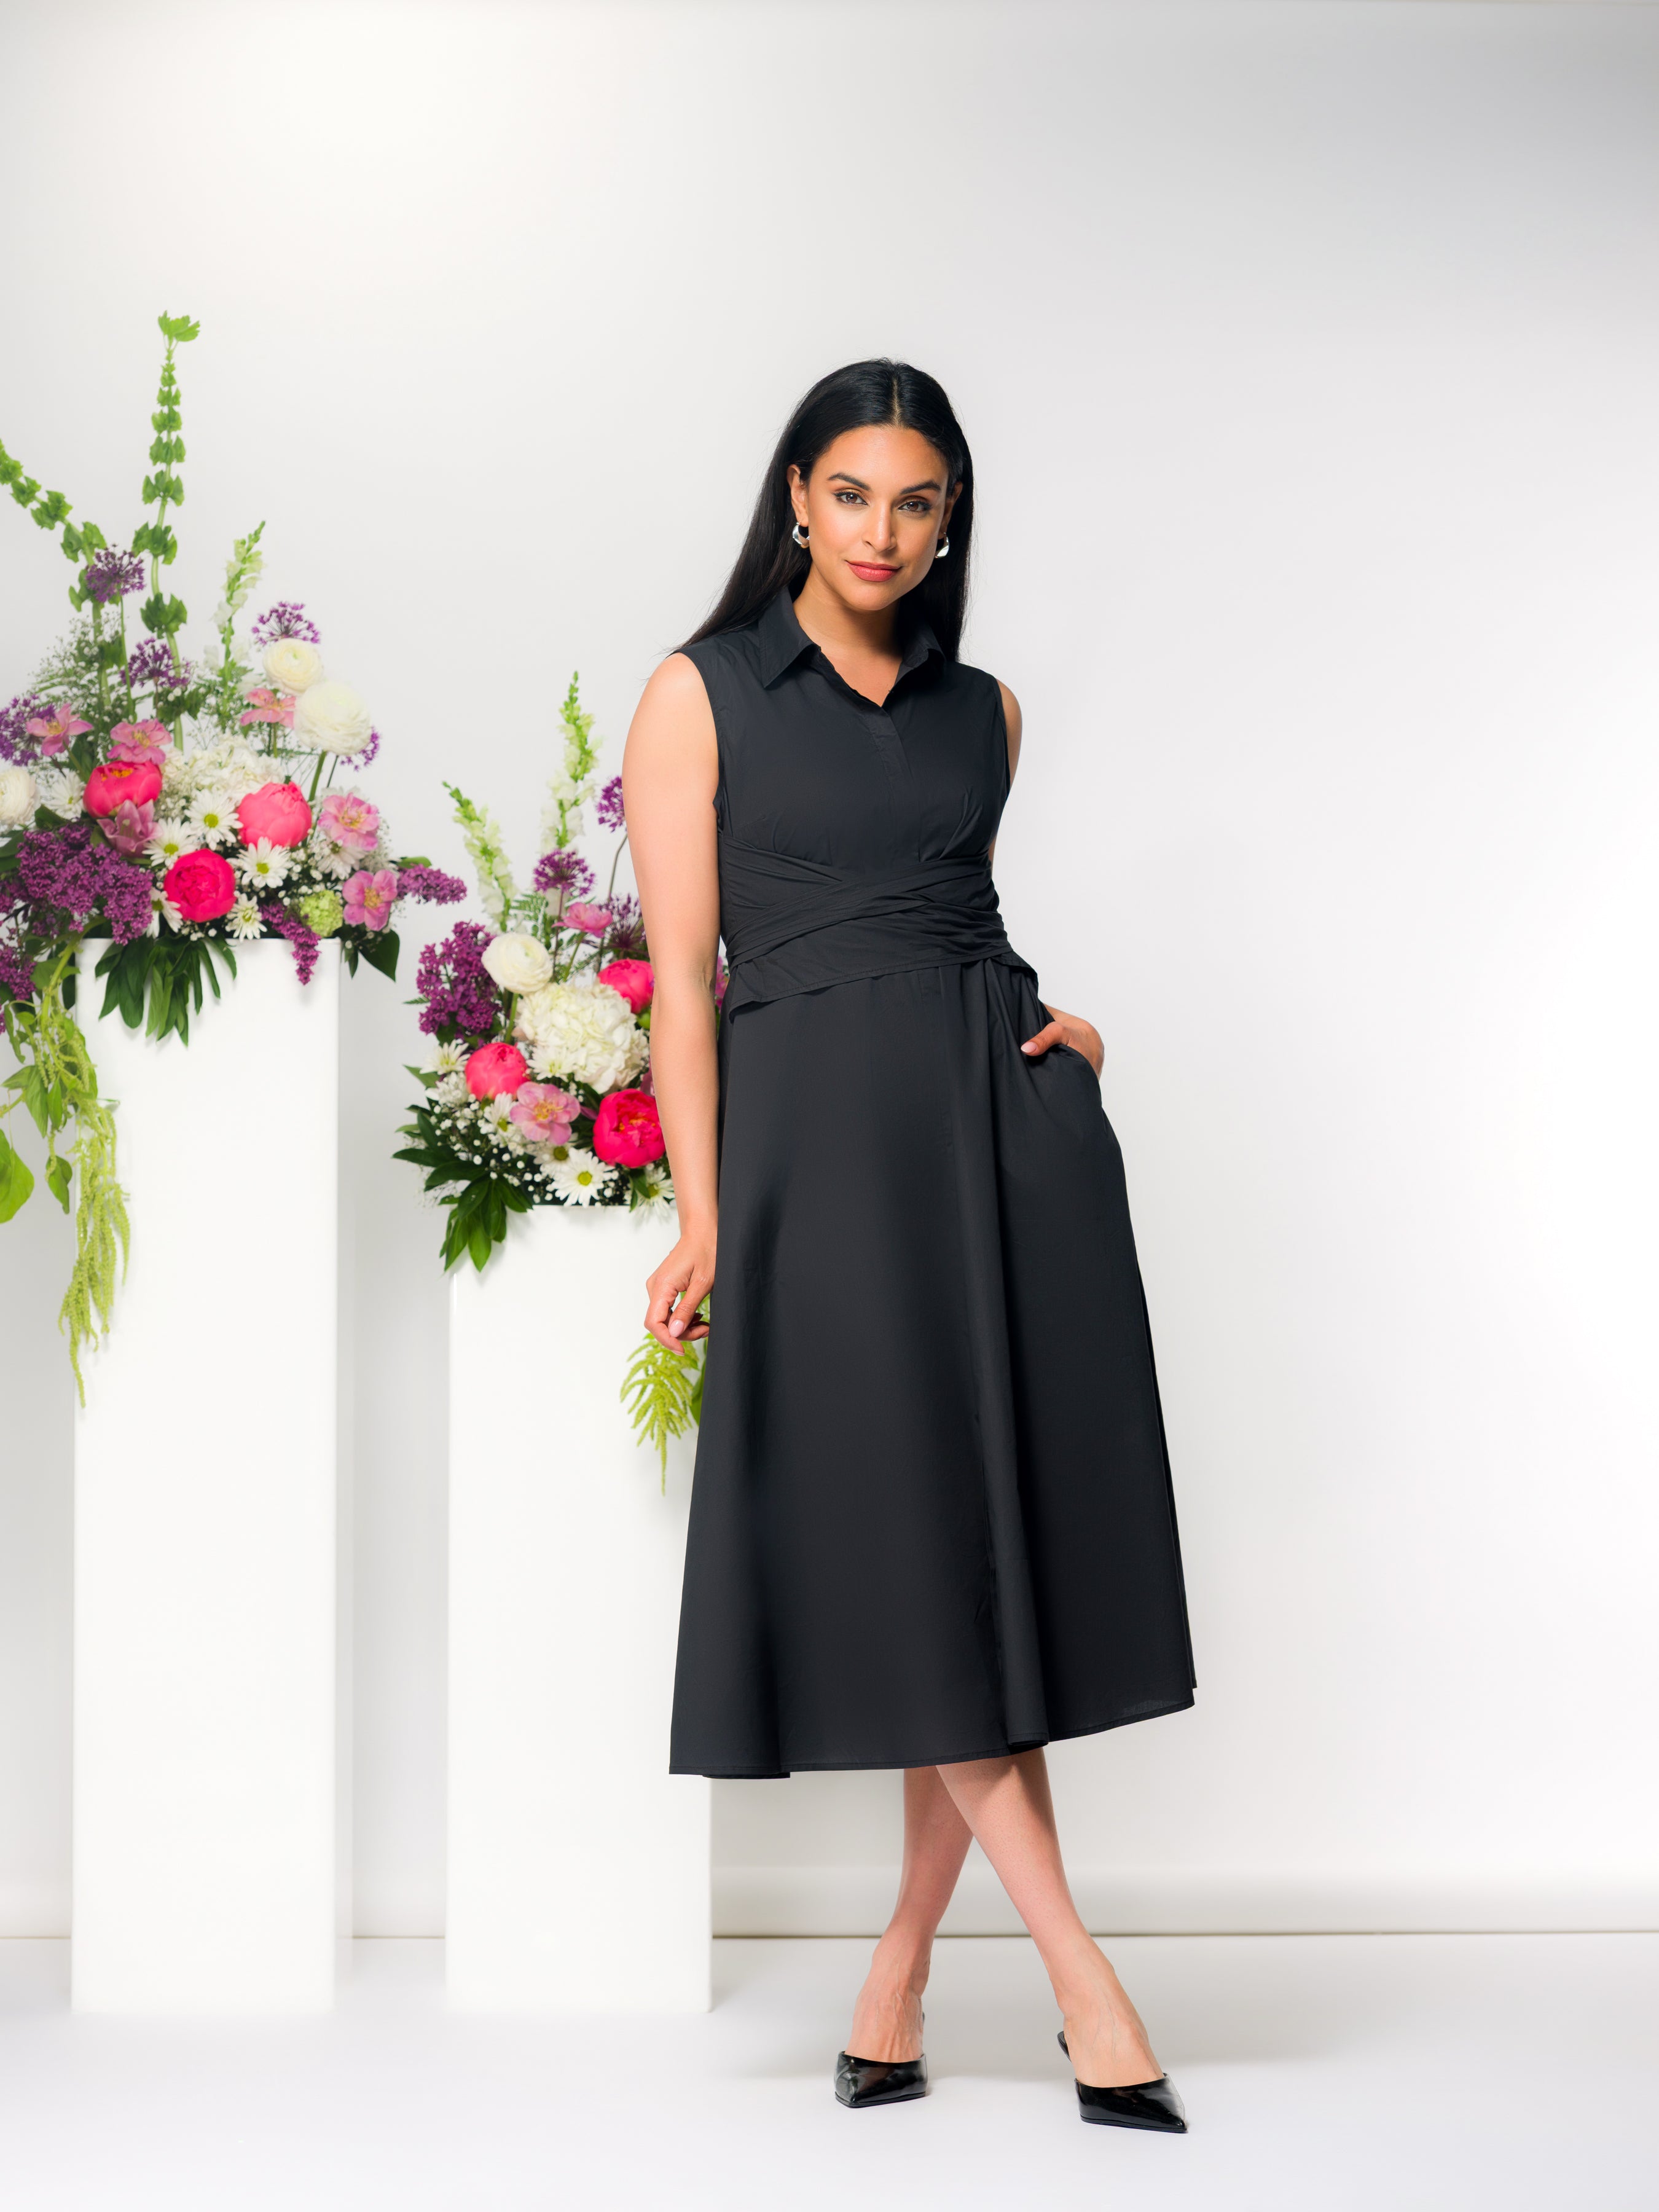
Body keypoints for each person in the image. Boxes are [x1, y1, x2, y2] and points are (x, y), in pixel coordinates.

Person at [621, 360, 1194, 2133]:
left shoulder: (986, 712)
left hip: (993, 1158)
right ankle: (1082, 1981)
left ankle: (895, 1976)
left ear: (950, 521)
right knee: (926, 1556)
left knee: (983, 1566)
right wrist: (710, 1214)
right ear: (796, 495)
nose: (881, 532)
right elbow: (684, 997)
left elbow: (976, 930)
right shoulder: (697, 693)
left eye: (917, 502)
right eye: (852, 493)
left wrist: (1074, 1048)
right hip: (818, 1170)